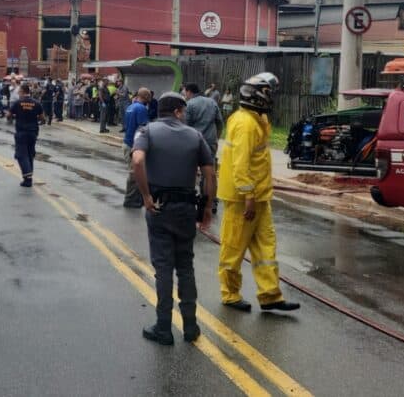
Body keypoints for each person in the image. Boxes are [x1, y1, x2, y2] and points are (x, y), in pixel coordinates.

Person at [131, 91, 215, 345]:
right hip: (186, 210)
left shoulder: (147, 132)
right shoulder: (196, 136)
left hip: (159, 208)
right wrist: (208, 207)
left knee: (164, 268)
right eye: (184, 111)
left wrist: (145, 196)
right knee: (185, 267)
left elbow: (137, 160)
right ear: (178, 111)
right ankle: (190, 326)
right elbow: (210, 175)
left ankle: (164, 327)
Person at [217, 73, 300, 313]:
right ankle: (230, 294)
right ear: (257, 95)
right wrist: (248, 196)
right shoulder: (244, 123)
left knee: (266, 249)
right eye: (268, 93)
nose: (271, 97)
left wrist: (257, 196)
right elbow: (240, 165)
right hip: (243, 199)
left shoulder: (257, 120)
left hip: (260, 196)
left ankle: (270, 296)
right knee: (233, 247)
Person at [7, 84, 44, 187]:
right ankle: (28, 179)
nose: (18, 94)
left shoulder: (17, 103)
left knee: (21, 155)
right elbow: (42, 118)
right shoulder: (37, 103)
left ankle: (27, 176)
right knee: (30, 154)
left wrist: (14, 116)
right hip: (33, 132)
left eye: (19, 92)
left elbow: (8, 115)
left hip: (21, 132)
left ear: (23, 92)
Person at [122, 88, 152, 208]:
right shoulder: (141, 108)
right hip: (133, 144)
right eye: (148, 98)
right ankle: (130, 200)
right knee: (135, 174)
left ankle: (135, 199)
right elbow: (143, 127)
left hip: (127, 141)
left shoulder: (131, 107)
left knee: (134, 172)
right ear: (145, 97)